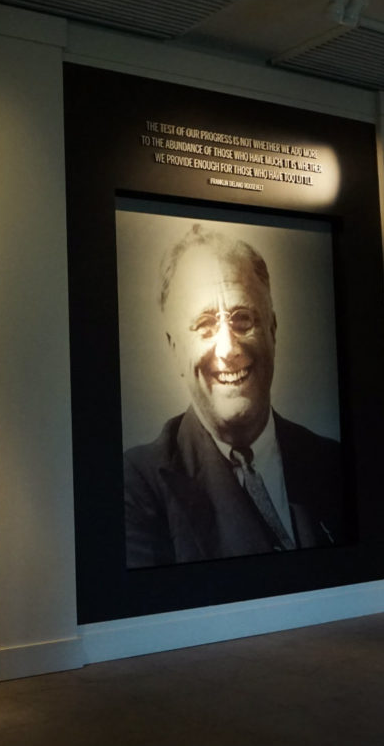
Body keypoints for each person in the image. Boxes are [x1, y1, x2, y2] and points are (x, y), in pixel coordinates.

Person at [123, 225, 344, 568]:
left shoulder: (334, 462)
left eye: (242, 319)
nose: (229, 350)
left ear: (272, 330)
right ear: (175, 349)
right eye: (205, 325)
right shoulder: (137, 487)